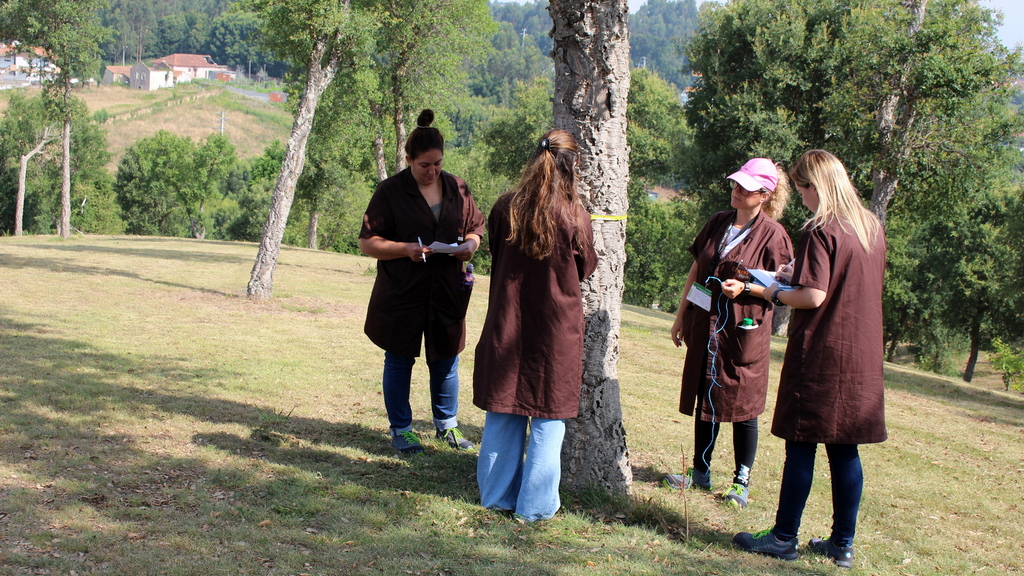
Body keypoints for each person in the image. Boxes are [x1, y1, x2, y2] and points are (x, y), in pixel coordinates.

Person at [724, 150, 886, 568]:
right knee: (845, 448)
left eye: (799, 189)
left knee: (801, 443)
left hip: (822, 352)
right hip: (862, 354)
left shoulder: (820, 228)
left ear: (814, 186)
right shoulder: (869, 226)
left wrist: (772, 291)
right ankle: (842, 544)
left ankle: (783, 537)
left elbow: (813, 296)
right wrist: (794, 274)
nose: (800, 198)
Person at [473, 130, 598, 522]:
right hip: (554, 330)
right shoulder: (573, 214)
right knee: (548, 417)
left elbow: (496, 250)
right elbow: (586, 267)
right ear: (571, 165)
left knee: (504, 410)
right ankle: (535, 508)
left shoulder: (505, 207)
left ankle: (496, 497)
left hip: (508, 320)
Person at [664, 158, 793, 510]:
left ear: (764, 195)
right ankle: (700, 472)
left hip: (742, 331)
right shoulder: (718, 222)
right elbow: (697, 268)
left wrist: (747, 289)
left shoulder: (774, 235)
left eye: (745, 188)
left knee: (743, 404)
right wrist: (680, 317)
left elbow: (783, 286)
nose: (736, 191)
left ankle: (741, 482)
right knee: (705, 393)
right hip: (704, 323)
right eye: (735, 184)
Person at [359, 109, 485, 455]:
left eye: (438, 164)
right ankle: (402, 429)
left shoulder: (458, 188)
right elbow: (367, 242)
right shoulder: (390, 191)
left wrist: (469, 247)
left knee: (446, 359)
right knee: (399, 360)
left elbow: (476, 227)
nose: (432, 172)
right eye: (424, 165)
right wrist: (405, 250)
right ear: (409, 159)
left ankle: (447, 426)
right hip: (403, 291)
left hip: (446, 291)